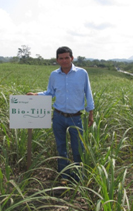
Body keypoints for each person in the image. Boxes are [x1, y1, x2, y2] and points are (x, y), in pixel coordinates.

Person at [27, 46, 94, 184]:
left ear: (72, 58)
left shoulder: (82, 73)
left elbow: (88, 93)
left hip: (75, 117)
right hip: (58, 116)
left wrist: (90, 113)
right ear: (57, 60)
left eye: (66, 58)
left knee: (78, 148)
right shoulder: (54, 75)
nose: (64, 61)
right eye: (61, 58)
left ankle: (77, 177)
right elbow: (49, 92)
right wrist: (36, 95)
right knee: (61, 147)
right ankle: (64, 176)